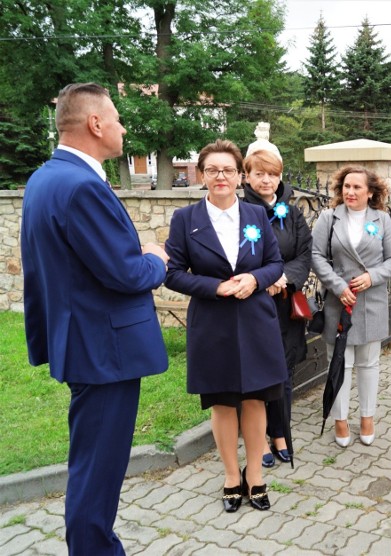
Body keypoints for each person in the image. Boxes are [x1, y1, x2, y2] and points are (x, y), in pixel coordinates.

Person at [20, 82, 170, 555]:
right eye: (118, 117)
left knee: (91, 465)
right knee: (97, 473)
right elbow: (125, 273)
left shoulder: (46, 177)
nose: (124, 127)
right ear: (95, 123)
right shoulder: (82, 185)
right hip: (104, 351)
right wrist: (157, 259)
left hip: (81, 342)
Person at [165, 139, 286, 512]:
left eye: (228, 170)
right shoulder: (186, 220)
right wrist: (214, 286)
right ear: (202, 175)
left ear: (239, 176)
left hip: (255, 320)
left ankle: (256, 477)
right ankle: (232, 476)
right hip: (213, 322)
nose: (221, 176)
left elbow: (275, 263)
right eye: (213, 170)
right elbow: (172, 273)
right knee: (222, 402)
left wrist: (255, 280)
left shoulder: (255, 215)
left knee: (254, 399)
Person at [311, 166, 391, 447]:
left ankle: (367, 417)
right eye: (346, 186)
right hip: (338, 302)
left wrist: (372, 276)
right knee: (339, 363)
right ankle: (340, 420)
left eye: (357, 187)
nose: (350, 192)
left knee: (369, 363)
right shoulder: (329, 218)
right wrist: (338, 286)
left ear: (370, 192)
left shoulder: (382, 219)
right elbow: (316, 255)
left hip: (370, 300)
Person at [242, 143, 313, 467]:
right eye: (260, 174)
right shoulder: (240, 211)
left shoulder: (292, 212)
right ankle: (259, 440)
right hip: (254, 305)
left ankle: (281, 433)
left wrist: (283, 278)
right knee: (258, 375)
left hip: (284, 304)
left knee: (283, 373)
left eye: (272, 174)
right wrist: (263, 278)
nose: (266, 180)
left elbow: (304, 253)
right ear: (248, 175)